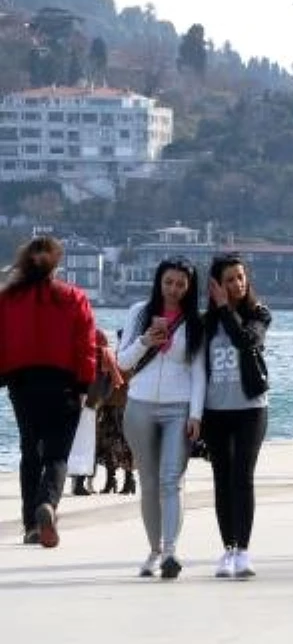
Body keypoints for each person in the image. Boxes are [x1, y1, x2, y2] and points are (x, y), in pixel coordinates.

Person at [0, 236, 96, 548]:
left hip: (22, 383)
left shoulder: (8, 298)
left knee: (30, 453)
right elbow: (86, 345)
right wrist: (85, 384)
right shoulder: (74, 297)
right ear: (56, 264)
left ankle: (30, 525)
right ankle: (47, 504)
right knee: (56, 454)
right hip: (63, 383)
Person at [116, 257, 206, 579]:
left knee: (171, 480)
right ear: (159, 281)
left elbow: (198, 372)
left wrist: (195, 413)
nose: (174, 289)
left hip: (178, 407)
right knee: (149, 482)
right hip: (139, 405)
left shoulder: (196, 321)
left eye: (181, 284)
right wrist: (145, 341)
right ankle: (153, 550)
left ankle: (170, 551)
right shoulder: (139, 312)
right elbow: (122, 363)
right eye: (169, 282)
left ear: (189, 287)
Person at [202, 254, 271, 579]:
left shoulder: (259, 314)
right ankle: (227, 548)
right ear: (216, 285)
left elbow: (247, 341)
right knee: (222, 480)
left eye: (241, 277)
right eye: (229, 279)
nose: (237, 284)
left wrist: (226, 309)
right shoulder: (206, 323)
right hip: (215, 411)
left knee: (242, 477)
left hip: (251, 408)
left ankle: (243, 551)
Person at [94, 329, 136, 495]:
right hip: (111, 406)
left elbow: (120, 380)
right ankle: (112, 480)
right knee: (108, 444)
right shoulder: (117, 355)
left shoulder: (130, 358)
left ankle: (127, 480)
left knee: (122, 444)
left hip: (122, 407)